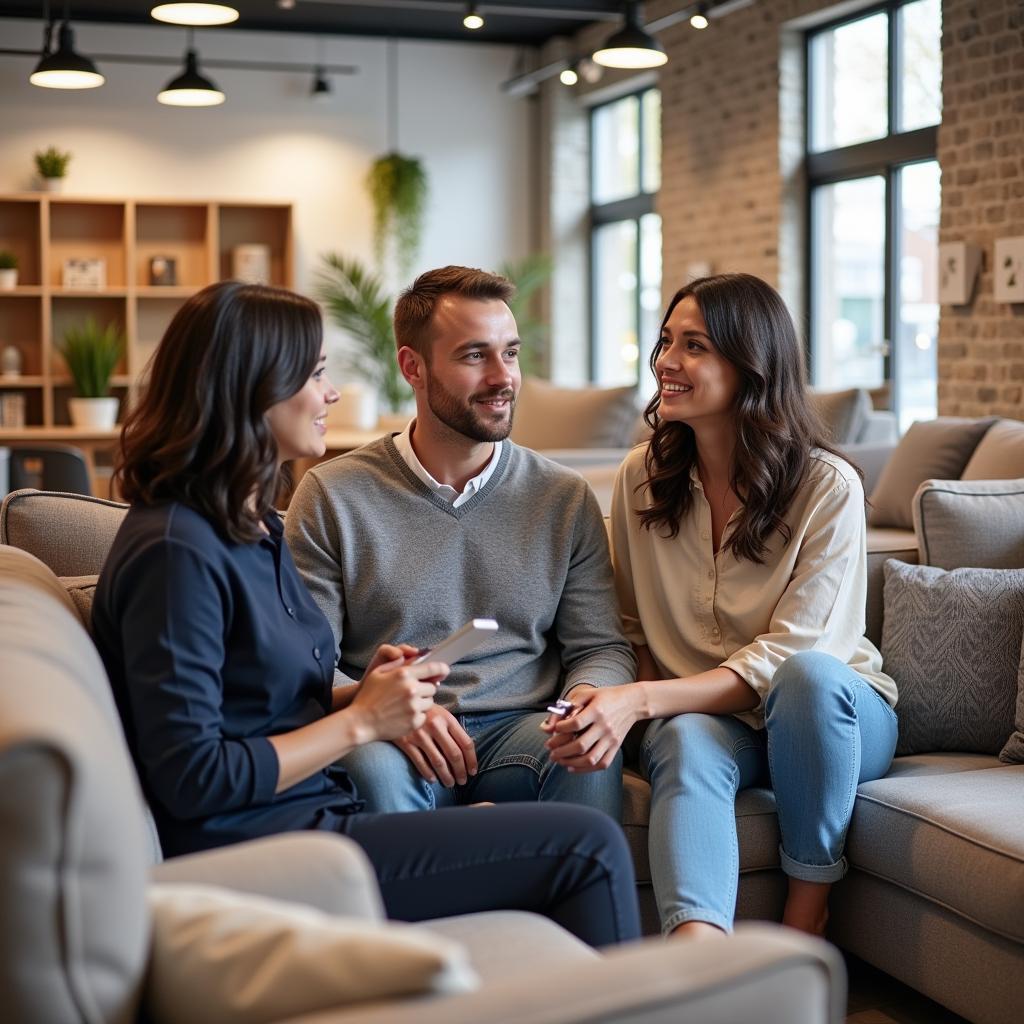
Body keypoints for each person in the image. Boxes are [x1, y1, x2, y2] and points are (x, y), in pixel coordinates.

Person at [91, 280, 640, 947]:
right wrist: (362, 721)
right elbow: (195, 778)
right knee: (584, 848)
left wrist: (369, 691)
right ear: (250, 385)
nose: (332, 394)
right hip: (284, 843)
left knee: (570, 834)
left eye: (511, 353)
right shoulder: (177, 550)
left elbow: (262, 696)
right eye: (317, 372)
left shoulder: (246, 528)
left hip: (318, 812)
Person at [544, 273, 899, 939]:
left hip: (831, 718)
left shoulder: (828, 486)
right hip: (715, 719)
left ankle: (804, 923)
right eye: (666, 342)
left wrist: (643, 701)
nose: (667, 363)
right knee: (682, 737)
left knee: (808, 679)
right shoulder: (639, 479)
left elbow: (799, 653)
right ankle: (700, 961)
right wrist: (623, 700)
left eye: (696, 346)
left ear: (750, 366)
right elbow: (626, 627)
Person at [285, 266, 637, 820]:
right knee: (369, 766)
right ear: (413, 367)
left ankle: (574, 907)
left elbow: (601, 646)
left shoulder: (563, 497)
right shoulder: (333, 494)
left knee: (587, 755)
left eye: (511, 353)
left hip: (523, 732)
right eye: (476, 356)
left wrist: (585, 704)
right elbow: (306, 666)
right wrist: (390, 709)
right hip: (395, 735)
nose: (504, 378)